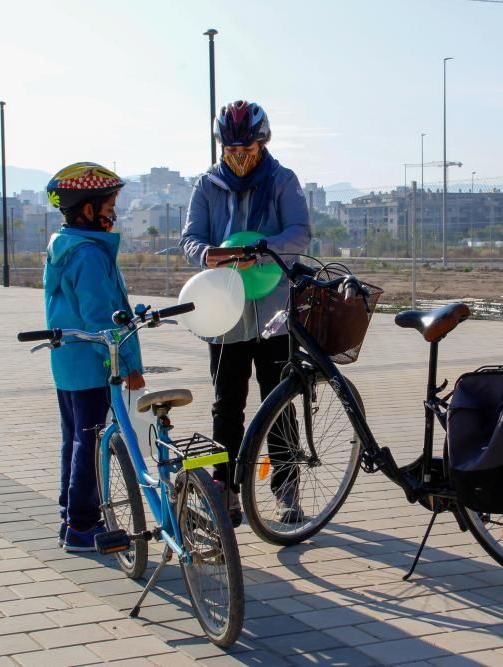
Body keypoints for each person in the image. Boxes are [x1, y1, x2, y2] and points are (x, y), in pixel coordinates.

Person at [180, 100, 312, 525]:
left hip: (273, 313)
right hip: (225, 314)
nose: (239, 157)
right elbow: (190, 239)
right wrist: (207, 255)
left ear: (263, 143)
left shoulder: (281, 180)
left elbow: (300, 231)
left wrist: (267, 251)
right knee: (226, 406)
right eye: (230, 149)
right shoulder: (207, 185)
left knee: (279, 403)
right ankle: (226, 491)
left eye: (247, 149)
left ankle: (285, 489)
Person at [44, 162, 145, 552]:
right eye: (109, 204)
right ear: (86, 209)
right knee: (90, 440)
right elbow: (103, 321)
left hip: (68, 362)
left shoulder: (67, 245)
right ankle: (83, 526)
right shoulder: (87, 254)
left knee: (74, 439)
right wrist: (131, 366)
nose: (112, 212)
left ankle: (71, 515)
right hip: (91, 364)